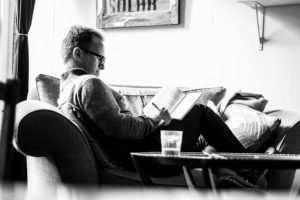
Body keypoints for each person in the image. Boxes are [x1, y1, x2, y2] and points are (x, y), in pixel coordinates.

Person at [58, 25, 252, 186]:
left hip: (132, 153)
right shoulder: (88, 83)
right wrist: (155, 119)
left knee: (202, 140)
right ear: (78, 53)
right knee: (199, 112)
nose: (102, 67)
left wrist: (152, 120)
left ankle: (228, 174)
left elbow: (113, 126)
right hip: (143, 158)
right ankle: (250, 168)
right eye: (99, 58)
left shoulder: (64, 92)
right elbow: (121, 128)